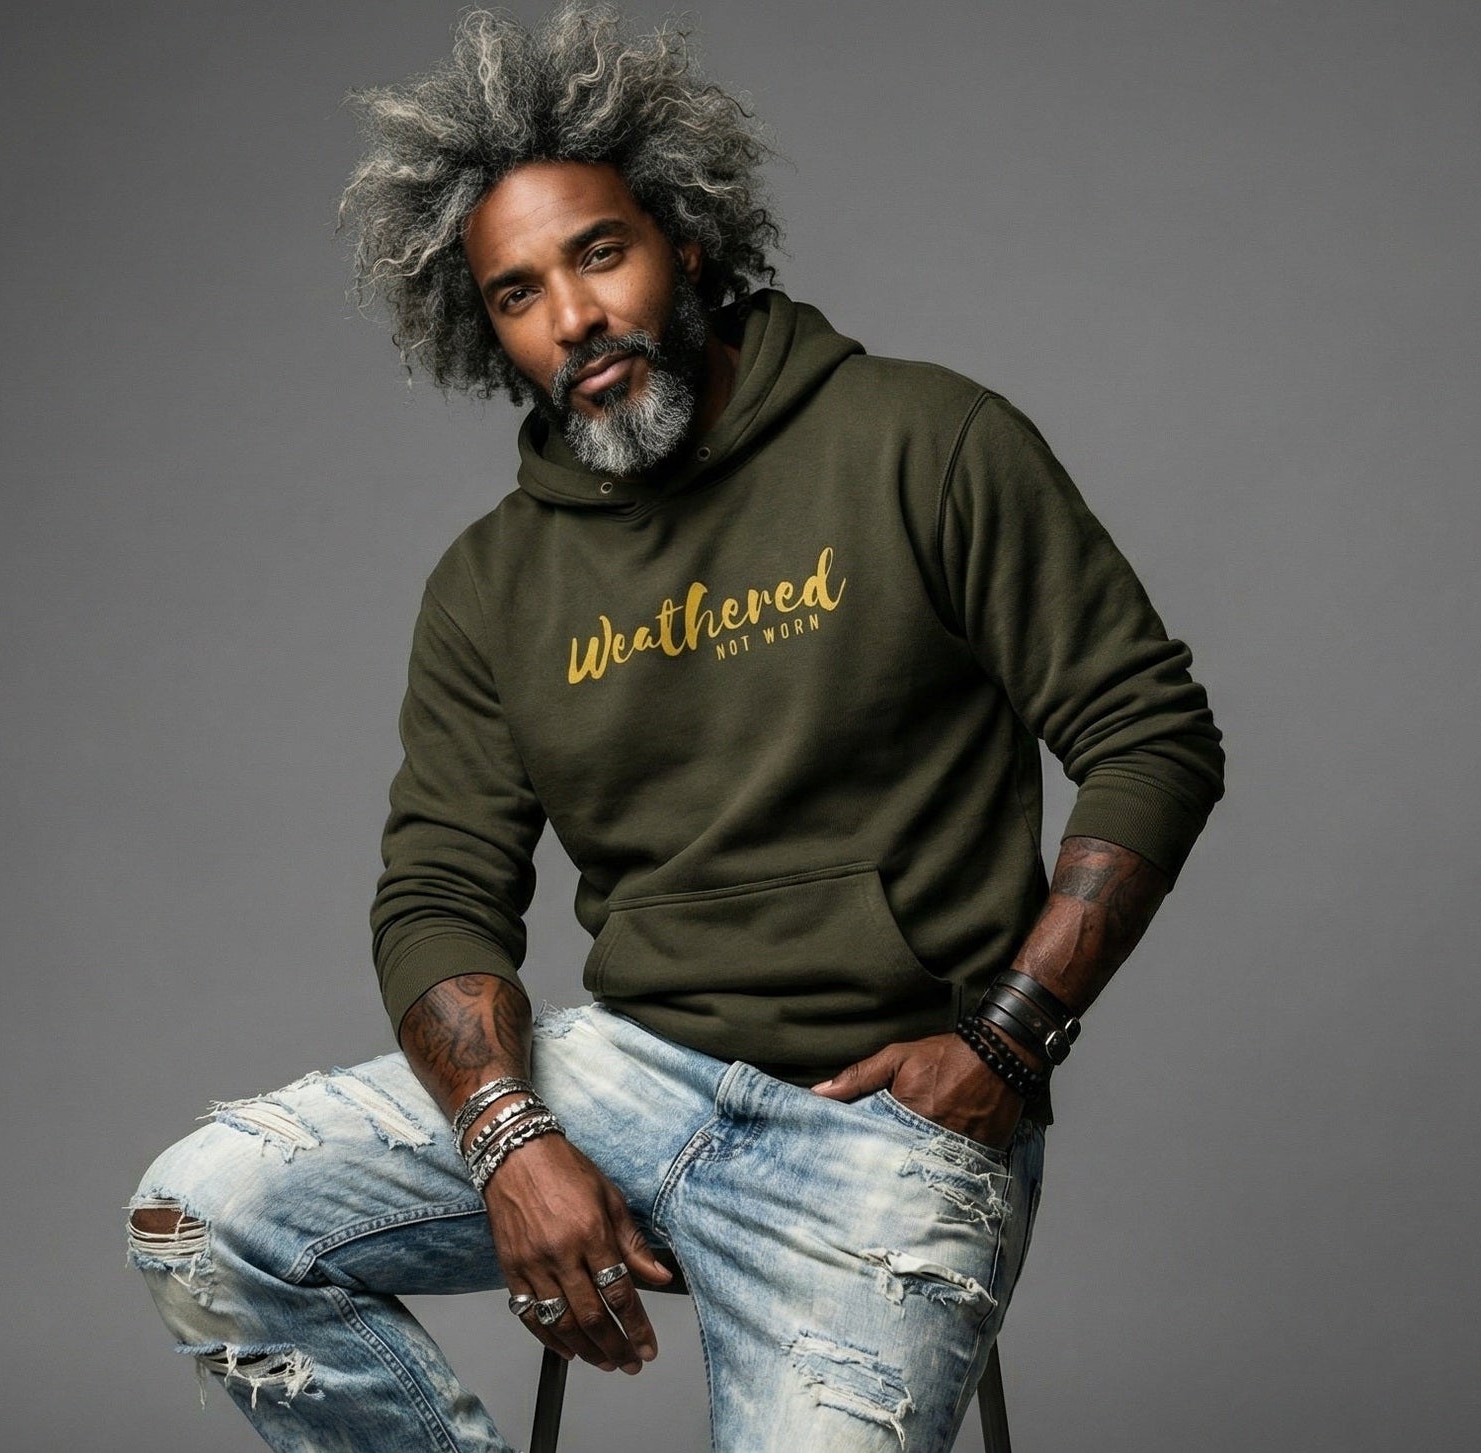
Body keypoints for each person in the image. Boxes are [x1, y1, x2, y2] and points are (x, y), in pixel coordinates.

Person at [126, 5, 1224, 1450]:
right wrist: (509, 1136)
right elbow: (439, 892)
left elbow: (1151, 733)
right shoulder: (490, 582)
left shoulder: (927, 442)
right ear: (486, 333)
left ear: (687, 240)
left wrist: (1008, 1045)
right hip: (628, 1077)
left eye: (600, 253)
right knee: (200, 1213)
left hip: (884, 1122)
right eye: (518, 294)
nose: (573, 318)